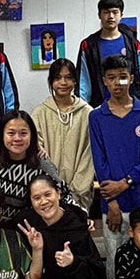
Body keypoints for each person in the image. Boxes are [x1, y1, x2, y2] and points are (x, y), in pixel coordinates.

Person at [88, 55, 140, 279]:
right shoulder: (97, 117)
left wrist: (127, 182)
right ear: (104, 81)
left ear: (131, 78)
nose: (117, 83)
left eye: (122, 77)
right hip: (115, 206)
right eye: (111, 78)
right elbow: (100, 163)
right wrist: (113, 203)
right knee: (115, 260)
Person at [0, 109, 70, 226]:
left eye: (23, 133)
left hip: (24, 227)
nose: (17, 138)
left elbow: (64, 194)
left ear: (32, 136)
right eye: (11, 133)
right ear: (2, 134)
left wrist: (84, 217)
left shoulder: (42, 166)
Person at [76, 0, 140, 107]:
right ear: (99, 15)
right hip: (101, 108)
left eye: (115, 12)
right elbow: (84, 83)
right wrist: (84, 110)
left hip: (130, 108)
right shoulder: (88, 45)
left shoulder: (131, 43)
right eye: (106, 12)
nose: (110, 16)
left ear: (121, 15)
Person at [31, 58, 95, 213]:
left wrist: (77, 188)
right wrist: (52, 188)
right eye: (58, 78)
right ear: (51, 81)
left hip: (80, 194)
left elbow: (90, 155)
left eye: (68, 77)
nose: (63, 83)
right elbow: (35, 149)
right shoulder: (39, 113)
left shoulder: (88, 113)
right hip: (47, 195)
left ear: (75, 81)